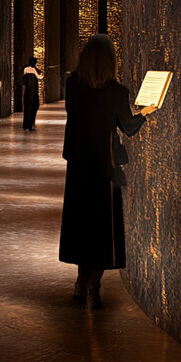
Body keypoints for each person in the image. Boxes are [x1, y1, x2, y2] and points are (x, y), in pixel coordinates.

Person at [58, 34, 157, 310]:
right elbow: (128, 127)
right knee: (102, 228)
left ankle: (79, 282)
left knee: (80, 225)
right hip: (105, 168)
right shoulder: (117, 92)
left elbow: (74, 120)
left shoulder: (73, 85)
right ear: (111, 60)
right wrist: (147, 111)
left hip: (78, 166)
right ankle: (94, 288)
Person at [22, 57, 42, 131]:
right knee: (33, 106)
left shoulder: (25, 69)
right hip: (33, 91)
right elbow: (39, 77)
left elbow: (24, 78)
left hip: (27, 91)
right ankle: (30, 124)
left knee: (27, 108)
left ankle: (25, 124)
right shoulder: (34, 70)